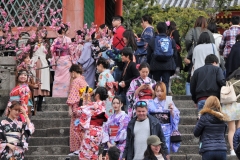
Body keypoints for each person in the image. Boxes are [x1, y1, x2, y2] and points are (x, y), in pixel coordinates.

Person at [75, 87, 108, 159]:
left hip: (91, 132)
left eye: (95, 94)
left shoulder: (94, 105)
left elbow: (79, 111)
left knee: (85, 154)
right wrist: (86, 99)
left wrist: (82, 98)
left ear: (97, 95)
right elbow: (89, 109)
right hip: (99, 132)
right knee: (93, 154)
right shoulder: (103, 105)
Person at [184, 16, 215, 95]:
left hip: (195, 57)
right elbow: (213, 44)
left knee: (191, 76)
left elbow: (187, 39)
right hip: (207, 59)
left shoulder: (192, 30)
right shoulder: (209, 32)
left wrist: (189, 48)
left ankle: (190, 96)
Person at [149, 82, 180, 153]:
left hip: (166, 130)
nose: (159, 93)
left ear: (164, 91)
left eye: (161, 91)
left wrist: (172, 111)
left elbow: (176, 115)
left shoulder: (168, 101)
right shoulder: (150, 103)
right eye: (157, 91)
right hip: (154, 129)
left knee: (165, 150)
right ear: (155, 92)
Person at [147, 22, 178, 94]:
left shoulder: (153, 40)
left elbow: (148, 54)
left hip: (155, 65)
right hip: (168, 65)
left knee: (156, 83)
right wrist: (174, 66)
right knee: (165, 83)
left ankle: (156, 100)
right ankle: (165, 100)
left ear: (157, 30)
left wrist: (149, 65)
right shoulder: (171, 40)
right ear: (167, 30)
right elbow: (175, 55)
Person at [193, 96, 228, 160]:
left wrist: (199, 120)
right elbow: (223, 134)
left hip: (208, 150)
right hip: (222, 149)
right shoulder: (223, 118)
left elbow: (196, 133)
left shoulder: (204, 117)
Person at [66, 64, 88, 156]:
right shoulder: (84, 82)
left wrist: (70, 107)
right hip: (85, 108)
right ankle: (83, 148)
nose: (71, 75)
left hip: (77, 107)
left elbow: (73, 95)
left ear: (73, 73)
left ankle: (77, 149)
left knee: (75, 128)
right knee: (82, 128)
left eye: (71, 73)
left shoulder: (76, 81)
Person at [221, 67, 240, 155]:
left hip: (229, 107)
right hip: (239, 106)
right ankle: (238, 147)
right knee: (239, 129)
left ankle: (232, 150)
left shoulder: (229, 81)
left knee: (231, 130)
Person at [31, 27, 50, 111]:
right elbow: (29, 51)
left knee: (42, 84)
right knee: (33, 81)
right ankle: (32, 104)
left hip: (43, 63)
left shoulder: (47, 43)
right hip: (34, 63)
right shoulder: (32, 42)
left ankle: (39, 105)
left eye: (42, 32)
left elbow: (49, 54)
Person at [50, 23, 72, 97]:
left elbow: (52, 50)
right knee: (66, 78)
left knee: (58, 78)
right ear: (63, 30)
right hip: (66, 60)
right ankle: (65, 95)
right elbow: (72, 50)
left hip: (59, 60)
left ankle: (56, 95)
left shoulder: (56, 40)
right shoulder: (68, 39)